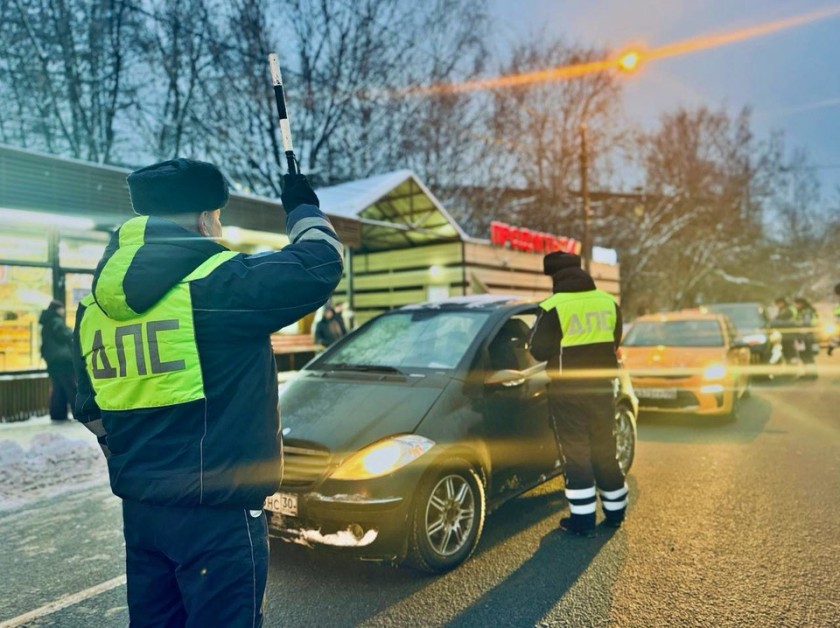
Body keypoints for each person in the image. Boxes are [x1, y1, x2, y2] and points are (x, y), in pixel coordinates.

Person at [73, 158, 343, 627]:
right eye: (218, 216)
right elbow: (321, 263)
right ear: (204, 219)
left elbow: (89, 408)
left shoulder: (93, 306)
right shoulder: (218, 283)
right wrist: (302, 208)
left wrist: (137, 453)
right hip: (215, 516)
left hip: (142, 513)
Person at [529, 251, 626, 536]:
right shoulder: (608, 302)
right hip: (601, 387)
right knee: (605, 449)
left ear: (553, 276)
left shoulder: (552, 306)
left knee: (577, 453)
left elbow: (536, 349)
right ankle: (616, 512)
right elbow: (614, 341)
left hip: (568, 392)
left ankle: (582, 521)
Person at [39, 299, 77, 422]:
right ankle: (80, 413)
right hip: (63, 361)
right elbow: (66, 335)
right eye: (62, 308)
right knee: (72, 387)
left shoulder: (47, 322)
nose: (63, 311)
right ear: (57, 309)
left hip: (53, 361)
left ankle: (58, 414)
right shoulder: (55, 321)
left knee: (58, 389)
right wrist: (71, 332)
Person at [793, 297, 819, 379]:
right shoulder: (802, 311)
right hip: (802, 336)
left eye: (797, 304)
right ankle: (808, 373)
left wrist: (796, 325)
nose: (796, 305)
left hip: (804, 337)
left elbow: (806, 324)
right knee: (803, 355)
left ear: (802, 304)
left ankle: (811, 374)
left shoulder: (806, 312)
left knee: (806, 355)